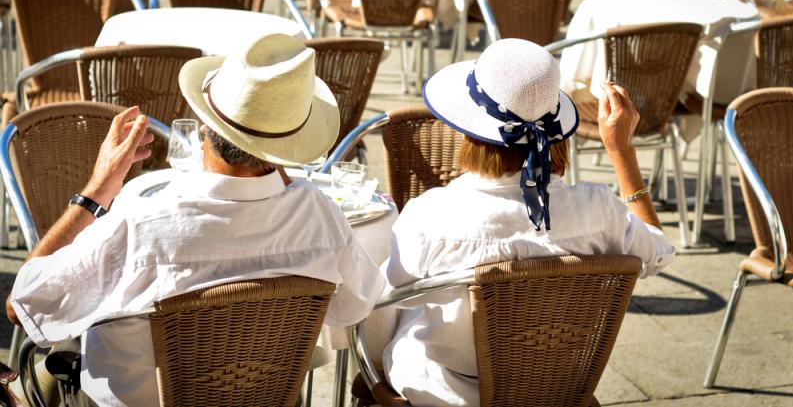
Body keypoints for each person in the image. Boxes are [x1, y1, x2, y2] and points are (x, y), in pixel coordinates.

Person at [6, 34, 385, 406]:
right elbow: (357, 303)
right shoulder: (321, 218)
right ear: (285, 146)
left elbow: (23, 304)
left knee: (47, 371)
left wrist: (96, 191)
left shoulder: (140, 224)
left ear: (204, 125)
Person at [382, 38, 675, 406]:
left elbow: (393, 291)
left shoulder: (431, 214)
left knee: (387, 318)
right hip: (559, 391)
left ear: (469, 128)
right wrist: (621, 151)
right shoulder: (599, 209)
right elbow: (660, 253)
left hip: (452, 394)